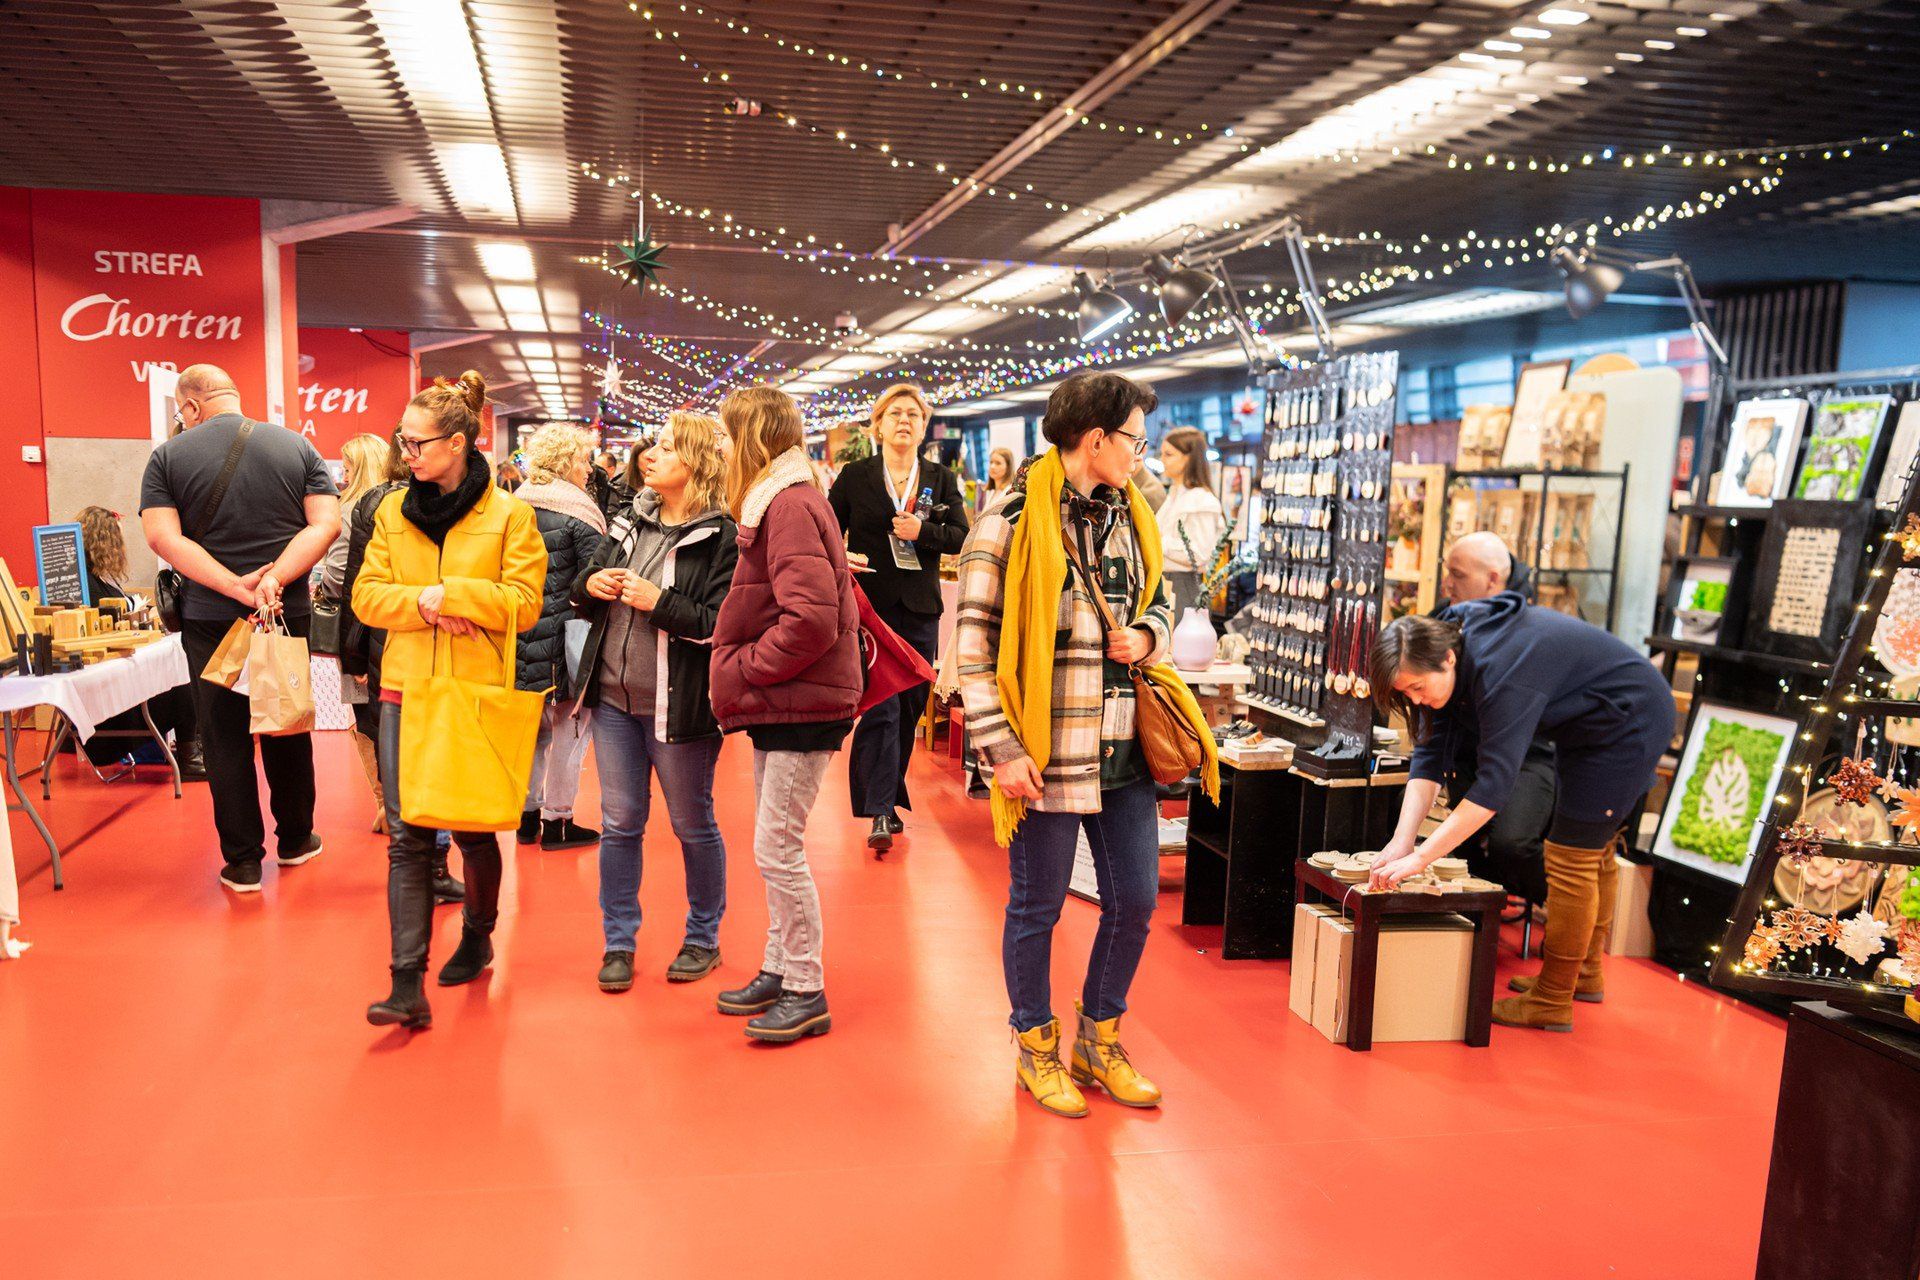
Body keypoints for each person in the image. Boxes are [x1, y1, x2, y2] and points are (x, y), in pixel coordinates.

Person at [955, 370, 1219, 1118]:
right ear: (1094, 439)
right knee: (1037, 906)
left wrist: (1147, 636)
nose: (1140, 453)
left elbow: (1162, 604)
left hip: (1126, 750)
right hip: (1046, 752)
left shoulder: (1135, 517)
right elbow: (970, 651)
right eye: (1133, 438)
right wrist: (1002, 751)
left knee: (1134, 903)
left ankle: (1098, 1040)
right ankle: (1034, 1048)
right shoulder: (1005, 523)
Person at [1367, 597, 1675, 1032]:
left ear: (1448, 658)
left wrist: (1420, 858)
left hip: (1628, 722)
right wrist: (1402, 840)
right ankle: (1583, 974)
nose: (1416, 699)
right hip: (1586, 724)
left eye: (1418, 687)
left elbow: (1493, 787)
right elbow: (1431, 752)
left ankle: (1553, 998)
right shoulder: (1439, 642)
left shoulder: (1501, 674)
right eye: (1405, 694)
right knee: (1594, 850)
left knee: (1572, 857)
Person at [353, 372, 546, 1030]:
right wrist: (424, 606)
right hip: (403, 690)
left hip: (472, 692)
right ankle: (405, 983)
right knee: (407, 839)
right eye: (402, 442)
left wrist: (454, 595)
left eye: (417, 443)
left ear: (458, 443)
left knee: (470, 828)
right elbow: (365, 597)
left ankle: (479, 932)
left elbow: (524, 604)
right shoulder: (388, 512)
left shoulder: (510, 516)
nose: (406, 453)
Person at [139, 363, 340, 894]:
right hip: (282, 611)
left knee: (224, 737)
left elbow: (162, 538)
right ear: (231, 395)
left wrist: (233, 586)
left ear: (190, 407)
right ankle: (297, 840)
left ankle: (244, 862)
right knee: (286, 722)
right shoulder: (295, 447)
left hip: (211, 619)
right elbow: (326, 523)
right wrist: (274, 579)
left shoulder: (167, 456)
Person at [709, 386, 861, 1044]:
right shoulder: (785, 498)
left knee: (778, 849)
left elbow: (811, 620)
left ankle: (805, 985)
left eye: (725, 434)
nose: (719, 447)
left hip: (802, 703)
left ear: (750, 438)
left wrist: (744, 669)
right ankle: (779, 967)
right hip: (790, 701)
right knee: (775, 847)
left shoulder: (789, 504)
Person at [571, 412, 737, 992]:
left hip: (681, 705)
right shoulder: (628, 519)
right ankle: (618, 942)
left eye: (667, 448)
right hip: (613, 700)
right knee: (619, 824)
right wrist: (589, 587)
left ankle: (703, 937)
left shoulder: (723, 536)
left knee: (693, 824)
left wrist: (656, 601)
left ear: (694, 462)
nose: (653, 455)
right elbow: (584, 584)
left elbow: (719, 624)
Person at [828, 383, 970, 852]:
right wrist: (843, 557)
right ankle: (880, 811)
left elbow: (959, 538)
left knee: (909, 707)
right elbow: (829, 530)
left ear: (924, 426)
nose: (904, 421)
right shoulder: (856, 475)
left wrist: (922, 530)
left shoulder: (940, 479)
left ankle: (888, 792)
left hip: (920, 608)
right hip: (870, 609)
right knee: (881, 706)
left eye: (913, 414)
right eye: (895, 414)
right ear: (879, 425)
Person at [1437, 531, 1551, 904]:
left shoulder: (1528, 627)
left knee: (1512, 843)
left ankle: (1541, 901)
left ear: (1492, 580)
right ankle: (1482, 910)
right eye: (1446, 571)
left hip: (1532, 752)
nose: (1446, 582)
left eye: (1457, 574)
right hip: (1469, 747)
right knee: (1460, 842)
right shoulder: (1447, 615)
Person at [511, 424, 607, 850]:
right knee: (570, 729)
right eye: (584, 460)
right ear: (568, 461)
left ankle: (527, 817)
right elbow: (594, 584)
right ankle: (559, 822)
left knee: (531, 734)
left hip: (519, 638)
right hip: (567, 640)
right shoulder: (580, 515)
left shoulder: (513, 506)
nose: (588, 469)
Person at [77, 505, 203, 779]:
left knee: (180, 672)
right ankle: (189, 756)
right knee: (180, 683)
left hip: (112, 687)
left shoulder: (98, 580)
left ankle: (193, 748)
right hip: (104, 719)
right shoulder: (91, 585)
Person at [319, 433, 403, 831]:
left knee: (364, 714)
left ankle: (385, 804)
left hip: (357, 628)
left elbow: (339, 576)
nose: (342, 474)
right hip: (396, 631)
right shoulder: (403, 503)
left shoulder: (352, 509)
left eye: (347, 467)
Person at [1155, 426, 1226, 615]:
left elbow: (1199, 554)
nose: (1162, 460)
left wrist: (1157, 543)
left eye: (1169, 454)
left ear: (1188, 458)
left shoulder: (1202, 500)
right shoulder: (1174, 495)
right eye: (1162, 454)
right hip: (1165, 581)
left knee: (1178, 642)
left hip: (1183, 585)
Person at [978, 446, 1017, 514]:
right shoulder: (990, 492)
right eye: (991, 462)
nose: (992, 466)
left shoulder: (1010, 492)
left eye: (998, 463)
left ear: (1008, 467)